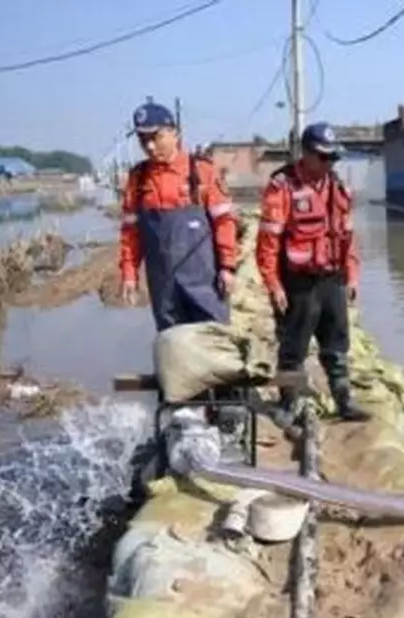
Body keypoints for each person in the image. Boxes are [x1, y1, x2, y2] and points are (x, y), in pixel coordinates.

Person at [256, 122, 370, 422]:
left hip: (331, 278)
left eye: (333, 157)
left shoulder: (339, 188)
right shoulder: (282, 188)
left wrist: (353, 275)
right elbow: (267, 244)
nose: (328, 163)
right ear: (305, 154)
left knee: (337, 344)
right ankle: (287, 404)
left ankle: (343, 401)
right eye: (322, 157)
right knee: (292, 348)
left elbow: (348, 238)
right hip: (297, 283)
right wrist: (274, 286)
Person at [118, 100, 238, 331]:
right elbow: (130, 234)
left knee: (212, 338)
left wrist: (227, 267)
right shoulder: (138, 179)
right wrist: (129, 275)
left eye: (156, 137)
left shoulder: (201, 171)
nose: (150, 146)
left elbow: (224, 223)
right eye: (143, 140)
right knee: (173, 344)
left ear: (175, 133)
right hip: (163, 284)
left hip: (204, 280)